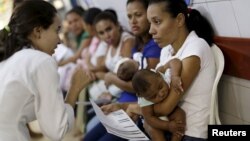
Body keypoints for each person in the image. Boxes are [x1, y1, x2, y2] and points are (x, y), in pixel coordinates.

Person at [0, 1, 93, 140]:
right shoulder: (41, 61)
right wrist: (75, 88)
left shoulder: (13, 59)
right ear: (38, 31)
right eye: (57, 30)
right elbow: (57, 131)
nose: (59, 40)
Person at [83, 0, 162, 140]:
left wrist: (111, 78)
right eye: (130, 16)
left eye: (138, 15)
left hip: (133, 113)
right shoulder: (137, 44)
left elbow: (143, 89)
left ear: (150, 15)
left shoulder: (154, 45)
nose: (133, 21)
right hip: (120, 106)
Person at [132, 68, 185, 141]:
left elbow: (174, 61)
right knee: (154, 131)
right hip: (156, 120)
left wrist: (175, 75)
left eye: (160, 87)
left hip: (169, 111)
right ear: (141, 96)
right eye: (153, 96)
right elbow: (150, 119)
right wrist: (168, 126)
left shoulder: (161, 73)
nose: (161, 94)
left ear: (159, 75)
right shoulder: (144, 99)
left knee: (180, 114)